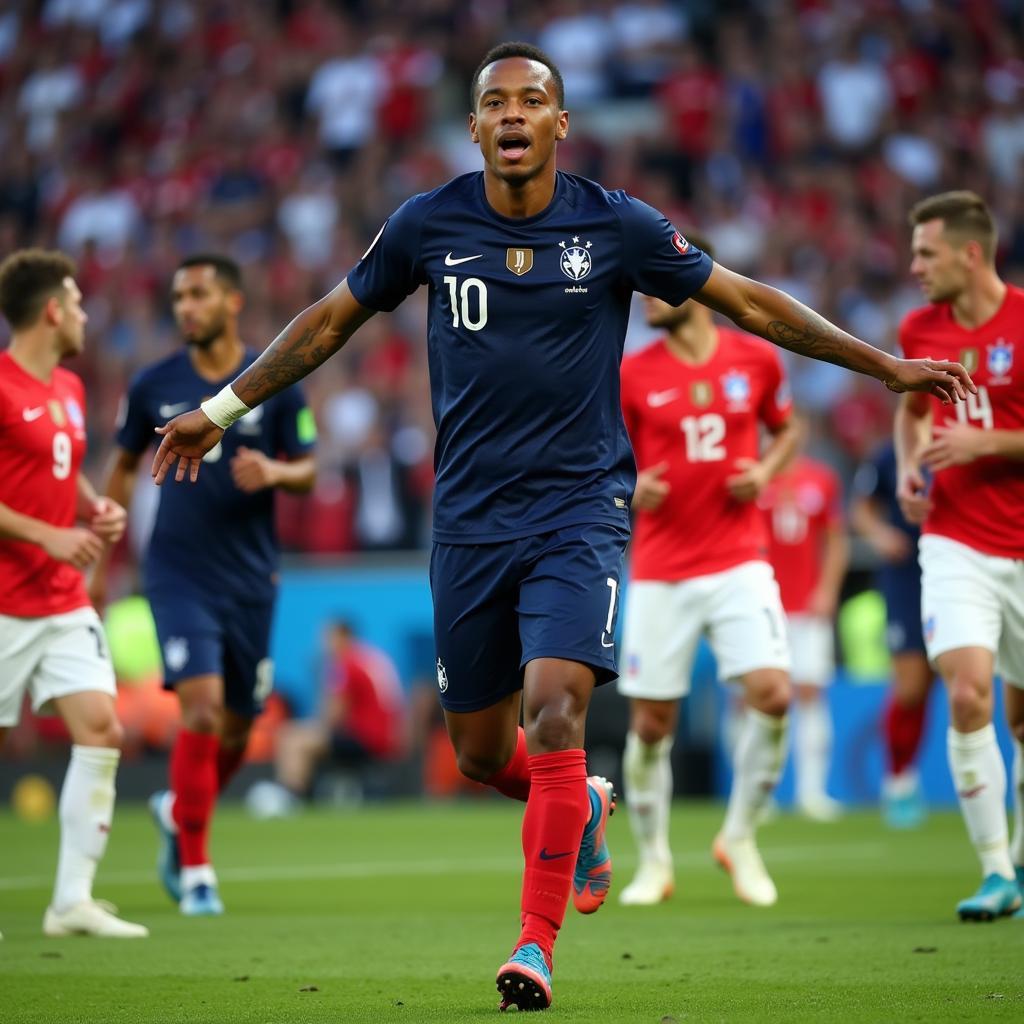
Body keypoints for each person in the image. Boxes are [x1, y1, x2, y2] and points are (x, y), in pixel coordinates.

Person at [148, 43, 972, 1010]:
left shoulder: (617, 225)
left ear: (559, 123)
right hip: (466, 524)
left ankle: (533, 947)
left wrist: (886, 367)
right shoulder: (426, 223)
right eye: (495, 101)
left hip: (580, 513)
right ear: (474, 126)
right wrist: (224, 404)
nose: (512, 114)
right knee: (484, 754)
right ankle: (579, 803)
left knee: (556, 710)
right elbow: (331, 321)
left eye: (532, 100)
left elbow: (746, 300)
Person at [90, 254, 316, 916]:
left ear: (233, 301)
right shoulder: (154, 384)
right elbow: (123, 464)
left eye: (198, 294)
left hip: (250, 576)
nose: (185, 306)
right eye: (178, 296)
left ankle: (177, 810)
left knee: (240, 732)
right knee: (201, 710)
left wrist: (274, 475)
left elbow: (308, 468)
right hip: (178, 570)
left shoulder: (274, 377)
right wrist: (105, 560)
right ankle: (196, 872)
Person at [616, 255, 798, 908]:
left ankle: (740, 836)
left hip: (739, 559)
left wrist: (767, 471)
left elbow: (788, 427)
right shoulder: (630, 374)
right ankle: (654, 860)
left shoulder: (756, 360)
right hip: (662, 570)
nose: (644, 300)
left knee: (774, 693)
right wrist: (631, 487)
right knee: (654, 720)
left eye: (655, 287)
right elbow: (601, 458)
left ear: (692, 287)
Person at [0, 248, 147, 938]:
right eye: (78, 302)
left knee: (102, 727)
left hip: (60, 598)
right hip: (4, 595)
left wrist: (92, 510)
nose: (86, 314)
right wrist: (45, 535)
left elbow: (59, 467)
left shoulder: (68, 388)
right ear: (53, 310)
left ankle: (71, 900)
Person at [895, 190, 1024, 922]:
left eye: (926, 253)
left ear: (970, 254)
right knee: (968, 691)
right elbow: (909, 410)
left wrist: (987, 444)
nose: (914, 267)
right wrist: (912, 464)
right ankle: (996, 872)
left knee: (1023, 716)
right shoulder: (920, 327)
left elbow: (983, 434)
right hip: (954, 540)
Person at [759, 429, 849, 823]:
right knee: (754, 697)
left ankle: (812, 792)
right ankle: (760, 794)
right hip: (763, 604)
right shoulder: (755, 476)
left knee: (810, 691)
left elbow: (837, 540)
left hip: (807, 604)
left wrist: (827, 590)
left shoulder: (821, 478)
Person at [850, 439, 935, 829]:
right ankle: (898, 780)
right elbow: (862, 509)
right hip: (906, 577)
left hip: (955, 568)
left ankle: (908, 778)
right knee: (911, 686)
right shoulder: (891, 451)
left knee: (938, 683)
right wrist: (882, 537)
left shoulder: (963, 438)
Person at [274, 621, 407, 801]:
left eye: (329, 638)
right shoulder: (372, 658)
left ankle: (290, 797)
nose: (325, 644)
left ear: (343, 637)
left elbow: (335, 715)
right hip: (387, 737)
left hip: (364, 738)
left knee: (292, 739)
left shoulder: (346, 663)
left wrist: (313, 728)